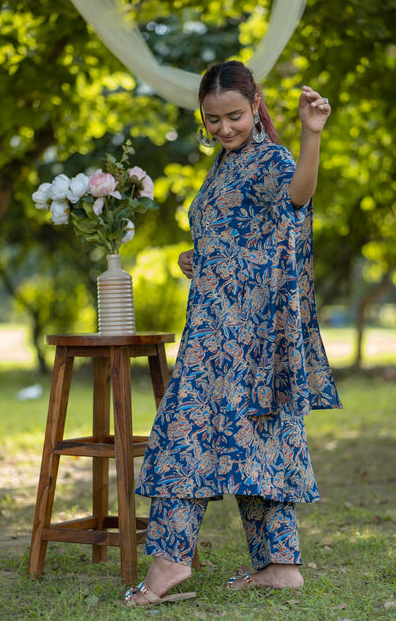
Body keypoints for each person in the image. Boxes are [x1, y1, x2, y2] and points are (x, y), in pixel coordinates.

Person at [124, 60, 342, 607]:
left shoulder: (270, 157)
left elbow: (296, 195)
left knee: (181, 435)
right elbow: (243, 234)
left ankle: (170, 563)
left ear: (256, 105)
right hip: (217, 322)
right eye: (213, 120)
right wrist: (196, 257)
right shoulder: (224, 165)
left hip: (242, 334)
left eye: (235, 116)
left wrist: (310, 135)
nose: (224, 128)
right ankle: (280, 565)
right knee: (257, 439)